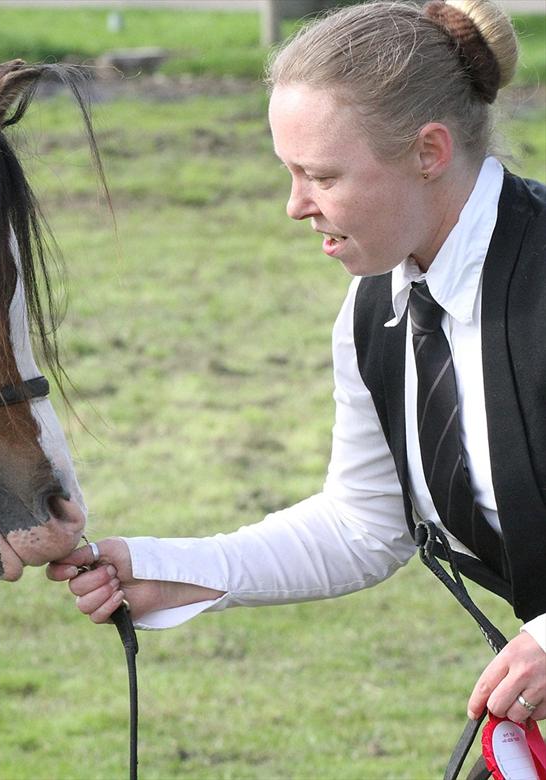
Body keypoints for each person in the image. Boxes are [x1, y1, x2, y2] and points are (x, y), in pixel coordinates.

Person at [49, 0, 545, 732]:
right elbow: (364, 526)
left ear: (429, 152)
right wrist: (169, 569)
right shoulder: (374, 312)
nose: (294, 206)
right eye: (289, 172)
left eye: (322, 175)